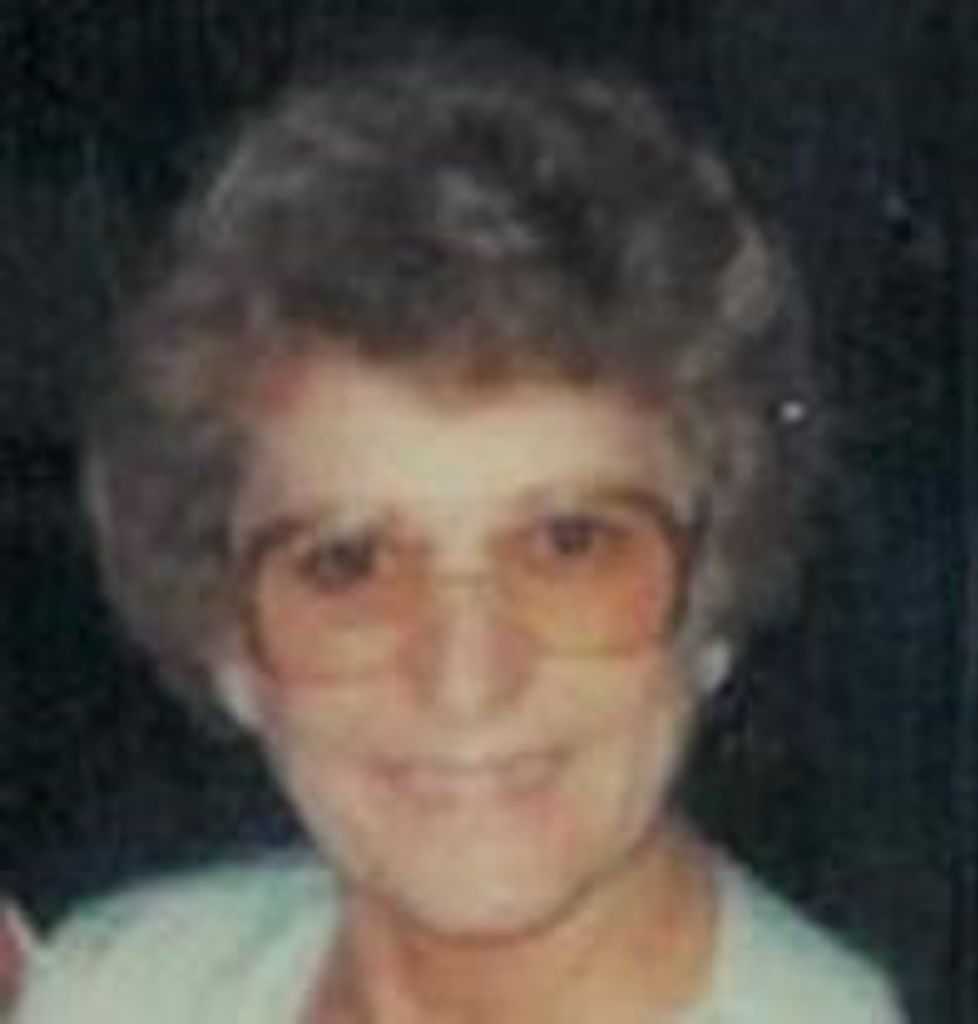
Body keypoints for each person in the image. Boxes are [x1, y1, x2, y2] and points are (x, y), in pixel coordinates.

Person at [14, 41, 905, 1024]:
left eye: (569, 546)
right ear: (227, 639)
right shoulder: (118, 988)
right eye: (349, 563)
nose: (464, 678)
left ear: (712, 595)